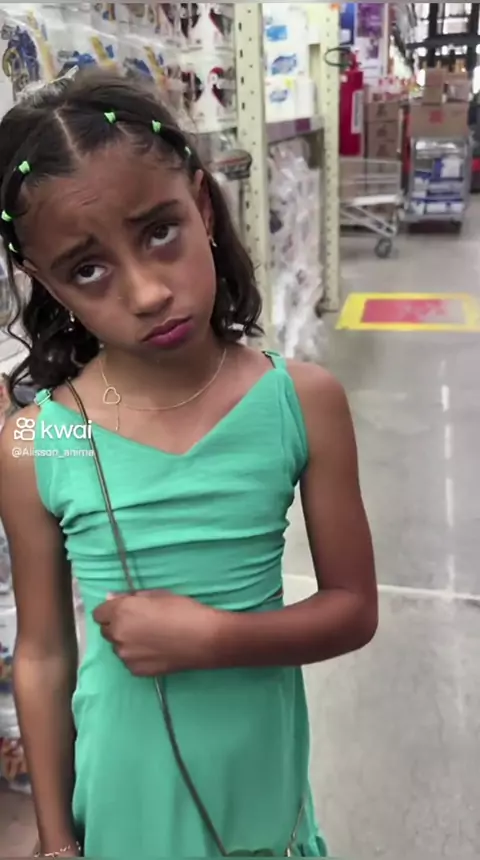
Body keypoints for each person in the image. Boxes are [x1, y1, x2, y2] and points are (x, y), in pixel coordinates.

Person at [0, 69, 377, 859]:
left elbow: (353, 608)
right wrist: (56, 837)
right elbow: (41, 654)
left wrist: (212, 638)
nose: (146, 293)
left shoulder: (301, 401)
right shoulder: (40, 440)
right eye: (88, 269)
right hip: (124, 786)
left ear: (203, 205)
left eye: (159, 232)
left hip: (259, 773)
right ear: (46, 284)